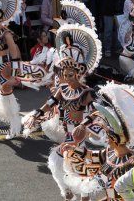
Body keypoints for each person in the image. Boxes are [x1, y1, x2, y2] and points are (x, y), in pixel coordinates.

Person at [23, 24, 102, 200]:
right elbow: (50, 103)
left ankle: (75, 193)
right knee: (62, 165)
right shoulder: (63, 89)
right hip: (68, 133)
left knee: (74, 169)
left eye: (70, 75)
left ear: (78, 73)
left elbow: (98, 112)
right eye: (65, 75)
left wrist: (84, 124)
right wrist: (37, 113)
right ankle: (68, 191)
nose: (67, 78)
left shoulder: (86, 92)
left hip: (77, 136)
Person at [61, 83, 134, 201]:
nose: (106, 139)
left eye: (108, 136)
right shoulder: (109, 153)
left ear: (116, 140)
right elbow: (91, 155)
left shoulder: (133, 160)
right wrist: (73, 149)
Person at [0, 0, 23, 139]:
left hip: (4, 65)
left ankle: (14, 127)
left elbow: (15, 52)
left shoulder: (6, 33)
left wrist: (15, 71)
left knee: (7, 93)